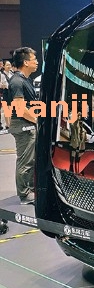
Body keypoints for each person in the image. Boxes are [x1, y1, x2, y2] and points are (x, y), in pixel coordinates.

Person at [8, 47, 38, 205]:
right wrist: (37, 120)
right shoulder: (17, 81)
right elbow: (20, 108)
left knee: (31, 159)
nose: (37, 62)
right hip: (23, 125)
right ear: (26, 62)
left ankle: (31, 189)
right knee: (25, 161)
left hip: (27, 123)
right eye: (34, 59)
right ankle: (25, 194)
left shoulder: (26, 80)